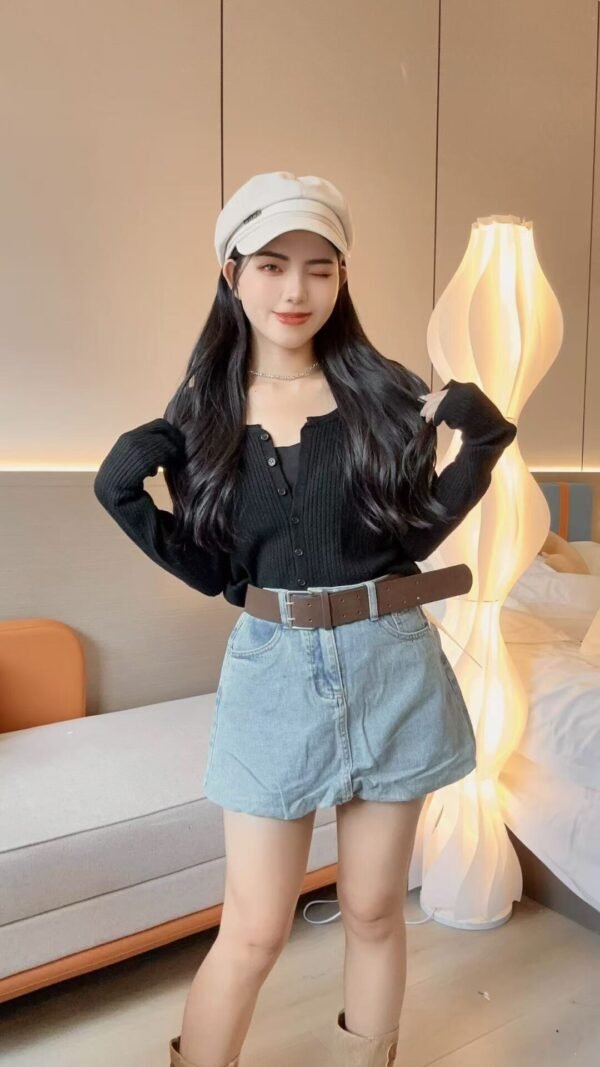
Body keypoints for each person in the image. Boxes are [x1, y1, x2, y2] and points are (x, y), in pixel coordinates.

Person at [94, 171, 517, 1067]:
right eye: (273, 265)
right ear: (232, 272)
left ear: (342, 275)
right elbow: (217, 572)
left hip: (392, 660)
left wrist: (480, 445)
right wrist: (127, 501)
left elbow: (413, 533)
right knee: (253, 929)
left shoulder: (386, 392)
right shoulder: (202, 415)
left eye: (320, 268)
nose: (296, 290)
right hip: (273, 670)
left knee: (373, 908)